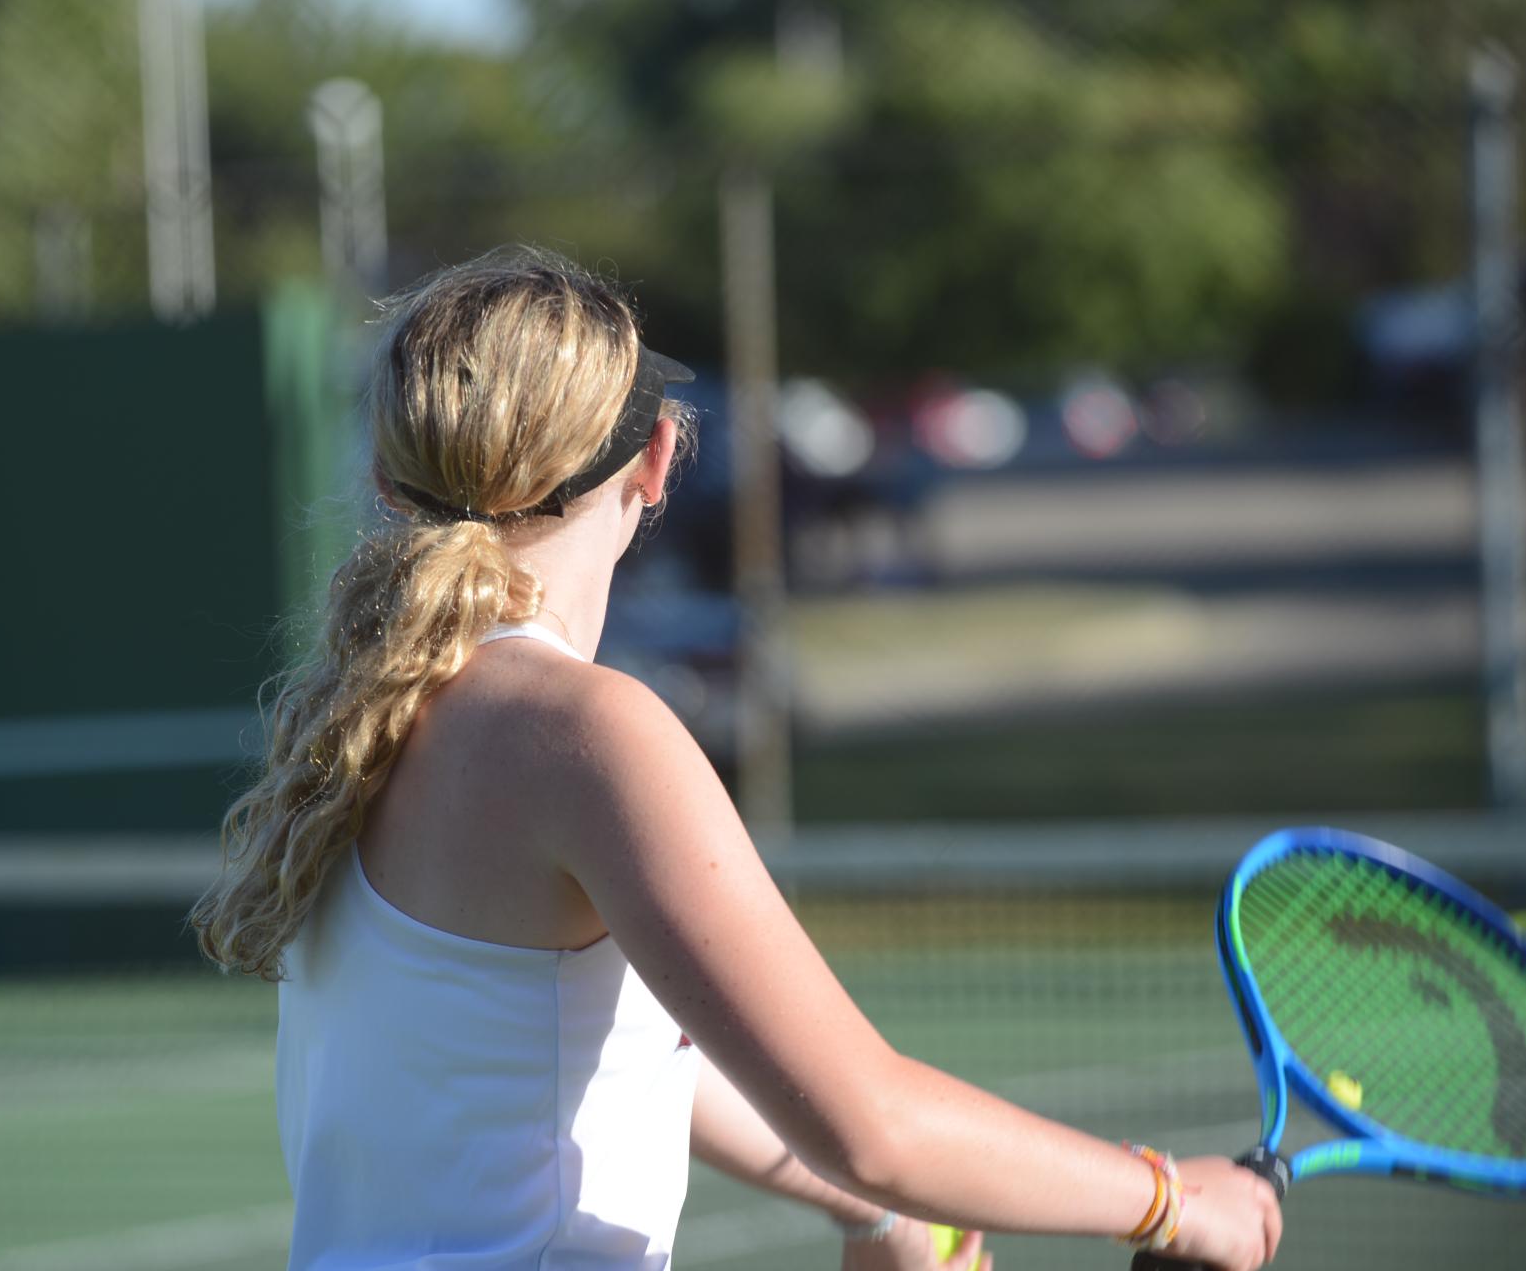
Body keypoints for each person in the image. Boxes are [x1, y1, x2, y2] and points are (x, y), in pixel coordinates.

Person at [192, 247, 1282, 1271]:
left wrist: (879, 1208)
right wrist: (1176, 1195)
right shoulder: (591, 733)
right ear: (658, 462)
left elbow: (630, 1051)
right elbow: (876, 1125)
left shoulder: (368, 716)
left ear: (390, 483)